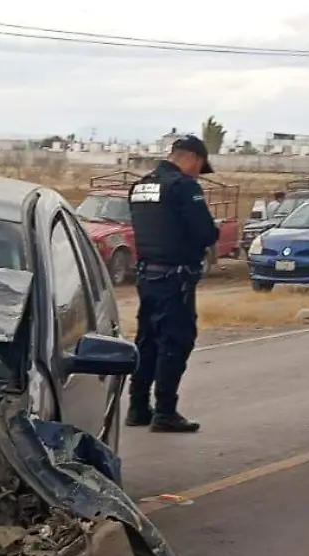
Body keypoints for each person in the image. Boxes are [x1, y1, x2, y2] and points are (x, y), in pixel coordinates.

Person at [125, 134, 220, 434]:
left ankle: (138, 406)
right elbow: (206, 233)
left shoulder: (140, 186)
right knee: (175, 341)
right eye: (199, 165)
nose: (197, 173)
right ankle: (165, 411)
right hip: (175, 278)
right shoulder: (183, 187)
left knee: (148, 340)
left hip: (147, 275)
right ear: (191, 157)